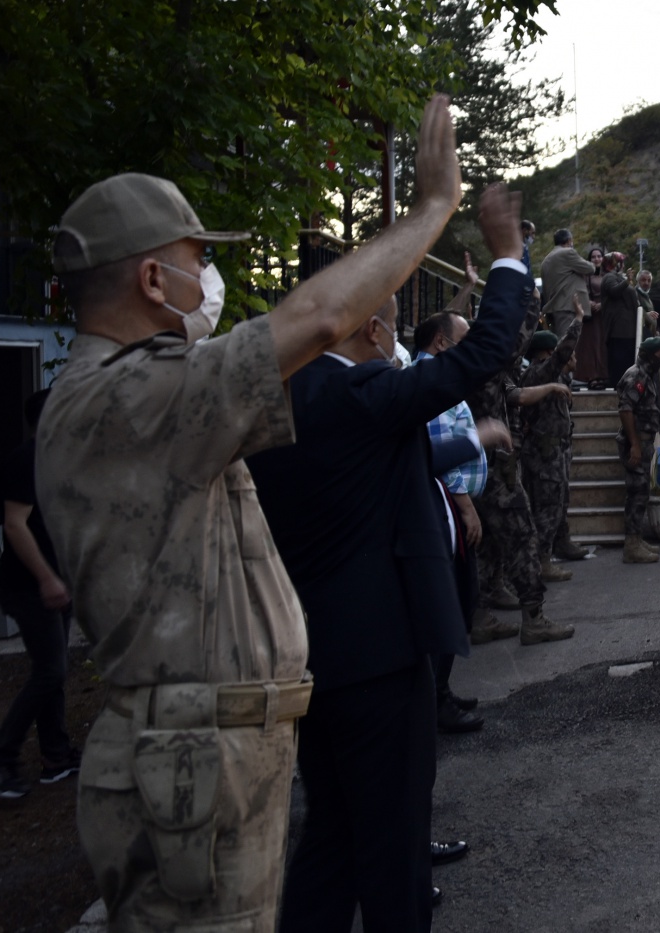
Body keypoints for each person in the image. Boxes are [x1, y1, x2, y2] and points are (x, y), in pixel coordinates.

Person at [36, 94, 465, 933]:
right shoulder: (130, 395)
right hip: (187, 765)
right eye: (198, 260)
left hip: (203, 757)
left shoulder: (140, 396)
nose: (210, 282)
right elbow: (320, 318)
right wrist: (431, 210)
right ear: (153, 279)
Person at [247, 181, 528, 931]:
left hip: (316, 654)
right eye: (394, 322)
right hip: (380, 659)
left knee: (331, 835)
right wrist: (508, 256)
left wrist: (470, 443)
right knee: (395, 844)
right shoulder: (362, 394)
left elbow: (383, 474)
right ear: (371, 331)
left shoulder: (279, 403)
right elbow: (483, 355)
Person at [0, 388, 81, 800]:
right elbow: (15, 525)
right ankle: (0, 757)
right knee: (50, 671)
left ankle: (55, 756)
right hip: (27, 587)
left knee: (54, 669)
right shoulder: (25, 461)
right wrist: (46, 579)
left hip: (55, 584)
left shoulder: (60, 462)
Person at [469, 290, 577, 644]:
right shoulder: (483, 363)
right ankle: (535, 619)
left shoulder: (475, 369)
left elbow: (515, 393)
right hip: (495, 469)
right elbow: (513, 344)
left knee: (488, 544)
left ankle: (484, 609)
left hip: (486, 465)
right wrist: (531, 302)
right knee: (523, 536)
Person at [413, 309, 494, 736]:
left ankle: (439, 692)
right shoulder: (432, 382)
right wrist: (466, 507)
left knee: (459, 602)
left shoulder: (437, 378)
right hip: (446, 509)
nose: (469, 349)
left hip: (450, 508)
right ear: (441, 343)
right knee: (453, 605)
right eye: (463, 340)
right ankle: (434, 701)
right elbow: (441, 451)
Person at [520, 295, 587, 573]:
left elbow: (565, 361)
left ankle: (560, 543)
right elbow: (563, 353)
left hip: (556, 450)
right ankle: (543, 561)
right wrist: (578, 321)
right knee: (546, 507)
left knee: (559, 502)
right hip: (542, 454)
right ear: (547, 352)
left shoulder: (554, 375)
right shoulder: (538, 373)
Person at [617, 336, 660, 564]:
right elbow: (625, 409)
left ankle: (636, 540)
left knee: (641, 493)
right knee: (636, 494)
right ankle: (631, 545)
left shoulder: (647, 374)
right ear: (649, 356)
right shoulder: (636, 375)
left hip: (644, 442)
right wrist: (635, 444)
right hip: (635, 444)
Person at [539, 229, 595, 337]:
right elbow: (590, 268)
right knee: (566, 344)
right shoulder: (567, 253)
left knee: (559, 342)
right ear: (569, 240)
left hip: (553, 307)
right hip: (567, 306)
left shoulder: (546, 259)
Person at [601, 252, 639, 388]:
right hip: (618, 330)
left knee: (628, 363)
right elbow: (613, 291)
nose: (623, 265)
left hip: (628, 330)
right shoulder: (609, 277)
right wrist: (626, 282)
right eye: (620, 262)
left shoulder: (619, 277)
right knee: (619, 363)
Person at [575, 245, 610, 388]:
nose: (596, 259)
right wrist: (589, 303)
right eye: (593, 257)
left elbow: (612, 294)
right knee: (591, 346)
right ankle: (591, 376)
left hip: (604, 315)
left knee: (603, 345)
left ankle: (604, 376)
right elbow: (579, 291)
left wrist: (602, 304)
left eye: (599, 256)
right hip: (590, 316)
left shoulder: (608, 275)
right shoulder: (585, 275)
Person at [634, 270, 660, 337]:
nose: (646, 283)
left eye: (649, 280)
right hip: (639, 336)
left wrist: (656, 331)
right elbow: (633, 311)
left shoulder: (647, 297)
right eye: (643, 280)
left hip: (649, 335)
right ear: (638, 281)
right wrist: (646, 315)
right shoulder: (634, 294)